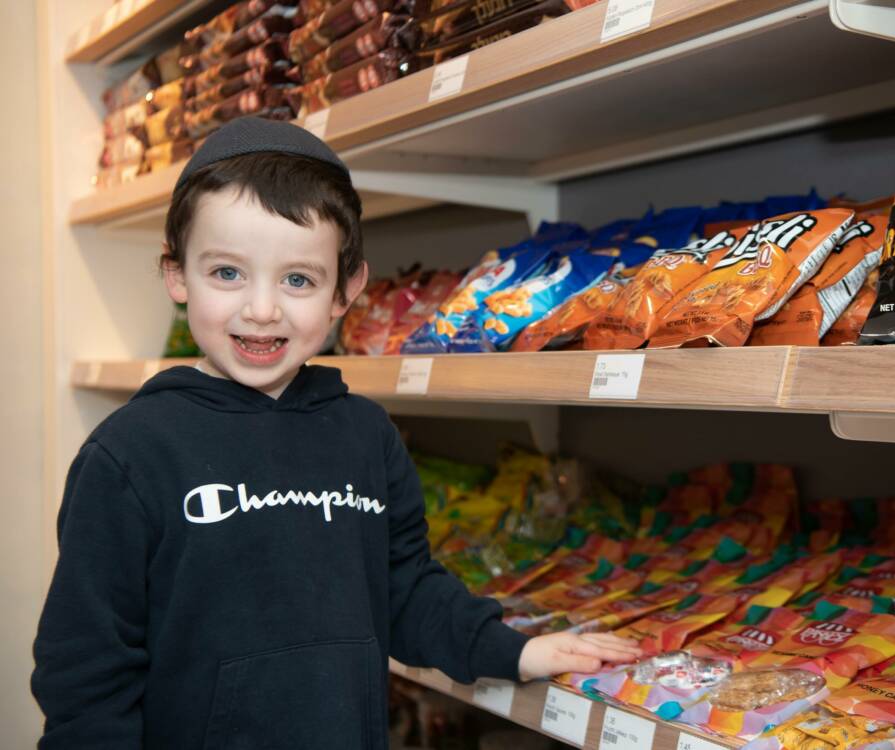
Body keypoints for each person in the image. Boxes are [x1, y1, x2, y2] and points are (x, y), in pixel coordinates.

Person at [31, 116, 642, 749]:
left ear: (344, 292)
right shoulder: (129, 455)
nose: (262, 308)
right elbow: (87, 671)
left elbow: (404, 587)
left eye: (298, 279)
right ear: (177, 275)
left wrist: (514, 650)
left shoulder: (366, 435)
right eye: (227, 273)